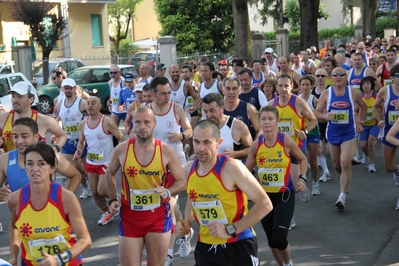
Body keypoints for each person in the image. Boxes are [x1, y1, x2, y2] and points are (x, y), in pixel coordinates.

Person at [177, 119, 273, 266]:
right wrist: (186, 223)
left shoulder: (231, 168)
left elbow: (265, 204)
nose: (201, 148)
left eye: (207, 142)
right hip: (205, 246)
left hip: (238, 244)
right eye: (197, 142)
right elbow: (192, 197)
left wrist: (230, 230)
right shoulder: (189, 169)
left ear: (218, 143)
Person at [106, 106, 186, 266]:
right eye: (138, 122)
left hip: (157, 217)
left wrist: (168, 191)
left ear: (155, 124)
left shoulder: (166, 151)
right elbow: (109, 173)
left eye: (147, 122)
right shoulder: (122, 150)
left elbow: (182, 181)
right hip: (130, 217)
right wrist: (113, 200)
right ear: (132, 125)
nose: (142, 126)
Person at [7, 142, 91, 266]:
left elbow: (85, 240)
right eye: (30, 164)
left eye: (41, 164)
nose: (34, 169)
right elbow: (13, 227)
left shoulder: (66, 198)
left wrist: (57, 259)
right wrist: (13, 257)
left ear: (52, 168)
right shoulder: (15, 199)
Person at [246, 105, 308, 266]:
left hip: (284, 196)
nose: (267, 122)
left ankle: (288, 263)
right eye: (263, 119)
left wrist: (302, 179)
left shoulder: (286, 141)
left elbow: (302, 159)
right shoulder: (256, 145)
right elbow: (246, 171)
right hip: (264, 198)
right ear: (259, 122)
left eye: (270, 119)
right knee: (271, 240)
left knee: (279, 237)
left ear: (277, 121)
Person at [147, 76, 193, 265]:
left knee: (170, 206)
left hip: (176, 164)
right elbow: (135, 133)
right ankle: (185, 231)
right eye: (163, 93)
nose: (167, 96)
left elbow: (190, 130)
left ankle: (168, 255)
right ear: (153, 94)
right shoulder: (147, 112)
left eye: (169, 93)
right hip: (156, 166)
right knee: (173, 208)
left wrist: (182, 135)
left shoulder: (176, 109)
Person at [315, 67, 367, 210]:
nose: (338, 77)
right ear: (331, 78)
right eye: (335, 75)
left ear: (346, 77)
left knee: (345, 163)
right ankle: (345, 180)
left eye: (341, 75)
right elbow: (317, 112)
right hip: (332, 134)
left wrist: (360, 122)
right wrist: (325, 116)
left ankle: (342, 196)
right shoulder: (326, 94)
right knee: (337, 165)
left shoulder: (353, 93)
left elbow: (364, 106)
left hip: (348, 133)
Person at [0, 117, 81, 202]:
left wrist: (63, 202)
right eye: (15, 137)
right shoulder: (4, 160)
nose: (19, 141)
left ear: (36, 137)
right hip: (21, 214)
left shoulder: (50, 156)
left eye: (24, 136)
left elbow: (75, 176)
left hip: (50, 214)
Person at [75, 96, 124, 225]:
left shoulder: (106, 122)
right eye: (88, 103)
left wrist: (122, 155)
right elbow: (81, 142)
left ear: (99, 106)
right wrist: (78, 151)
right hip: (91, 162)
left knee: (102, 190)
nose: (90, 105)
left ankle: (115, 198)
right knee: (95, 191)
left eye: (93, 103)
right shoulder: (83, 124)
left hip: (106, 162)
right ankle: (107, 211)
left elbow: (121, 137)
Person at [0, 81, 67, 153]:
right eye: (13, 96)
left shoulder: (43, 120)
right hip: (11, 163)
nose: (15, 100)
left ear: (31, 99)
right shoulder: (2, 118)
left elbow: (62, 135)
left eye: (20, 96)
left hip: (35, 163)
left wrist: (54, 150)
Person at [53, 78, 91, 199]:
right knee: (70, 171)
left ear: (75, 88)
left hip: (83, 141)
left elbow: (94, 117)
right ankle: (66, 198)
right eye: (66, 88)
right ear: (62, 89)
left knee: (88, 170)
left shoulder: (82, 103)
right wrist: (57, 133)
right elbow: (57, 120)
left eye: (70, 88)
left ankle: (92, 183)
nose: (68, 90)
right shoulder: (59, 105)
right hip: (68, 141)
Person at [372, 65, 399, 210]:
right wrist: (380, 119)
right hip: (390, 132)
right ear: (393, 78)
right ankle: (397, 170)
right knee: (388, 167)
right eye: (398, 76)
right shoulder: (385, 91)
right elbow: (375, 107)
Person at [202, 93, 252, 159]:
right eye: (205, 111)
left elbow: (251, 149)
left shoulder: (237, 125)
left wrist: (236, 154)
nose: (208, 115)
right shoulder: (202, 126)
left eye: (212, 111)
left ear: (222, 108)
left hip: (230, 168)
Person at [298, 75, 321, 195]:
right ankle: (302, 184)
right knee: (301, 160)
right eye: (303, 85)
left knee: (312, 161)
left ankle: (315, 183)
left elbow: (321, 116)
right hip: (300, 132)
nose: (305, 87)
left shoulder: (314, 100)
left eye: (307, 85)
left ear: (312, 86)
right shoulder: (296, 100)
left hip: (312, 132)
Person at [223, 76, 259, 141]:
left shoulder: (249, 109)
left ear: (240, 90)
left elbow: (260, 130)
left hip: (245, 148)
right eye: (228, 89)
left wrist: (254, 146)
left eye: (234, 89)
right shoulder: (217, 108)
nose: (231, 92)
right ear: (223, 91)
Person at [311, 69, 332, 182]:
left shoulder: (331, 91)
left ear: (327, 77)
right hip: (316, 125)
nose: (320, 78)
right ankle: (326, 172)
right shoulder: (311, 92)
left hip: (330, 125)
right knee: (319, 149)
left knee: (330, 152)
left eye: (322, 76)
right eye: (317, 75)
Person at [357, 76, 379, 172]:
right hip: (363, 124)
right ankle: (366, 154)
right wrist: (358, 122)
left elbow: (382, 108)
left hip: (374, 123)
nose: (366, 86)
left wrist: (381, 119)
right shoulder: (360, 97)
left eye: (368, 84)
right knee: (363, 145)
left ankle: (371, 163)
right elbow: (355, 111)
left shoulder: (376, 96)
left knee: (371, 143)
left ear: (372, 86)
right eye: (364, 84)